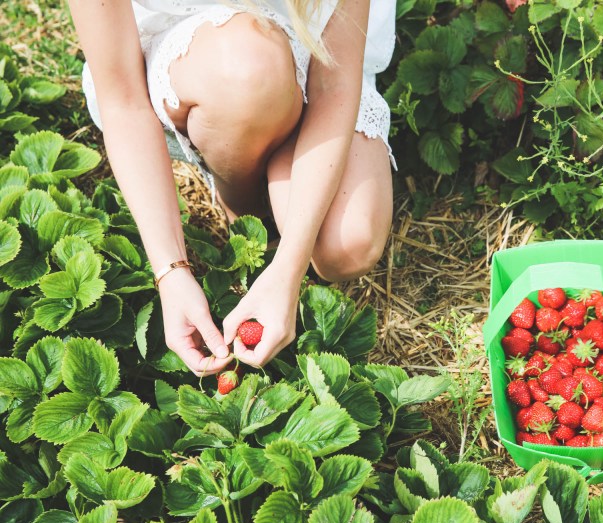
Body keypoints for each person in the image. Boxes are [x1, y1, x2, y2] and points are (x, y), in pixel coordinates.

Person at [69, 0, 395, 375]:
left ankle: (273, 148)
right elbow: (123, 101)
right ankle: (240, 193)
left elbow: (335, 83)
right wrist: (170, 271)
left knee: (346, 247)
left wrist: (288, 269)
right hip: (207, 58)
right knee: (248, 71)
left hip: (316, 48)